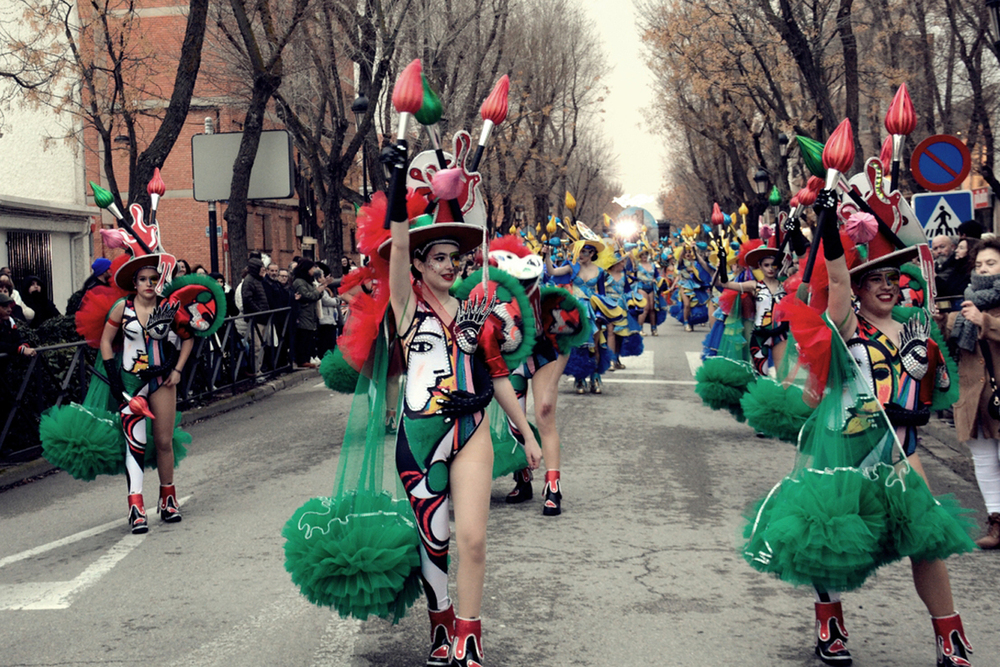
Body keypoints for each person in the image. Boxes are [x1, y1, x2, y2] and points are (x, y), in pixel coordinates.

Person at [385, 179, 541, 667]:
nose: (451, 266)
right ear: (417, 264)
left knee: (472, 538)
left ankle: (469, 637)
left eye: (456, 258)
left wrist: (527, 431)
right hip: (420, 439)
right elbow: (395, 254)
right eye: (439, 258)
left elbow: (497, 375)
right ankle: (441, 622)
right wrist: (396, 184)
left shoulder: (478, 311)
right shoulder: (407, 309)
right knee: (435, 542)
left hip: (472, 431)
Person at [101, 260, 195, 533]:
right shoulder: (122, 308)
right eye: (143, 279)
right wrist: (114, 379)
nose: (148, 284)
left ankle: (168, 499)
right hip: (130, 383)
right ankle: (136, 507)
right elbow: (106, 341)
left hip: (163, 380)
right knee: (135, 443)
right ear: (134, 283)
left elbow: (188, 337)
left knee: (165, 442)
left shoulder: (168, 307)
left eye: (153, 279)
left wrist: (177, 369)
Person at [939, 237, 1000, 550]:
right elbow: (949, 333)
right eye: (979, 265)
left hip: (997, 392)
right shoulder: (968, 299)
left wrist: (986, 321)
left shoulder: (983, 309)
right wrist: (940, 321)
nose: (984, 269)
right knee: (984, 459)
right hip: (974, 394)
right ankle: (996, 522)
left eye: (991, 263)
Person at [713, 245, 789, 376]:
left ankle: (782, 396)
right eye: (766, 265)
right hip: (760, 333)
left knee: (783, 374)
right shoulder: (754, 285)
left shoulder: (786, 285)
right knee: (760, 374)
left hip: (781, 334)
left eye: (773, 265)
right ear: (760, 266)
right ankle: (761, 396)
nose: (770, 268)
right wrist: (722, 264)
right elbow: (723, 284)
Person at [290, 259, 330, 368]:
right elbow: (307, 295)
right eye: (312, 268)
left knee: (309, 336)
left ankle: (307, 358)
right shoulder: (299, 281)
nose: (313, 270)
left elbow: (315, 295)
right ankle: (302, 360)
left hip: (310, 313)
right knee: (303, 336)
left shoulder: (308, 281)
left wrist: (319, 291)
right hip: (303, 313)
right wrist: (318, 290)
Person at [240, 257, 269, 375]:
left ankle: (259, 368)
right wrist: (259, 311)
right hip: (256, 318)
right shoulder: (249, 281)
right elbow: (247, 299)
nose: (263, 271)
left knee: (261, 345)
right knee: (256, 346)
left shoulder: (258, 280)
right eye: (261, 268)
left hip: (262, 317)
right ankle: (255, 370)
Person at [0, 292, 36, 358]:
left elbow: (17, 338)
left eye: (9, 306)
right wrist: (19, 349)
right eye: (5, 307)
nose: (9, 310)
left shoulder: (9, 321)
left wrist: (24, 346)